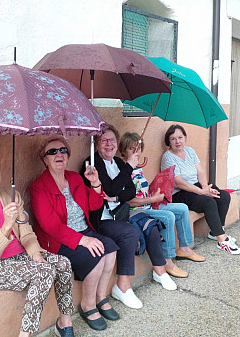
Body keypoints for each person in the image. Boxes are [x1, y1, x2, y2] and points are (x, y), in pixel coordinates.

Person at [0, 147, 75, 337]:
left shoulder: (11, 196)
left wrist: (36, 255)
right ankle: (25, 335)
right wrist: (6, 226)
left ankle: (64, 322)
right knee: (44, 272)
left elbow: (27, 233)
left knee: (62, 263)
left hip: (20, 257)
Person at [81, 125, 176, 310]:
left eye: (112, 140)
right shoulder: (92, 163)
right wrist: (127, 170)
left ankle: (160, 271)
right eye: (104, 140)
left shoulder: (117, 162)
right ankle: (122, 286)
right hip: (101, 219)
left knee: (151, 226)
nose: (109, 144)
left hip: (121, 213)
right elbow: (110, 188)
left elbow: (130, 190)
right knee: (130, 233)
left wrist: (116, 196)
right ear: (96, 144)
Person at [30, 136, 119, 332]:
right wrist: (83, 240)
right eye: (52, 152)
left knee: (110, 249)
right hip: (57, 240)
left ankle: (100, 297)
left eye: (63, 150)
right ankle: (87, 305)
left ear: (68, 156)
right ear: (44, 159)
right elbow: (50, 226)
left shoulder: (75, 178)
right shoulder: (39, 187)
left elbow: (94, 205)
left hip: (83, 231)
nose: (58, 154)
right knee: (95, 255)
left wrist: (95, 183)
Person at [119, 132, 206, 278]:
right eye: (131, 149)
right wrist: (151, 200)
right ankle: (167, 260)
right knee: (168, 217)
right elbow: (128, 201)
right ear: (123, 150)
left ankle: (185, 248)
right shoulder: (123, 169)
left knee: (182, 208)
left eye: (138, 148)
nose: (136, 152)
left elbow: (142, 191)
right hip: (137, 211)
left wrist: (155, 192)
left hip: (149, 204)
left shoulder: (137, 167)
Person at [161, 124, 240, 255]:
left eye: (180, 137)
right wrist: (201, 192)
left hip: (196, 186)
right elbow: (179, 182)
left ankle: (215, 231)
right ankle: (222, 240)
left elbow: (200, 171)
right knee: (208, 201)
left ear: (185, 138)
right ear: (168, 141)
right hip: (180, 193)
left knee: (223, 196)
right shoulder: (168, 157)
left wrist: (205, 187)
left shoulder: (190, 151)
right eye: (173, 139)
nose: (177, 141)